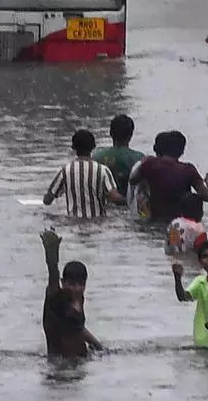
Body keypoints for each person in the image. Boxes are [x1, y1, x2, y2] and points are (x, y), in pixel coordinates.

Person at [40, 229, 102, 358]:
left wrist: (97, 346)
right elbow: (53, 281)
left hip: (79, 365)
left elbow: (78, 329)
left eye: (81, 284)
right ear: (63, 282)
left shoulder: (79, 298)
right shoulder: (57, 300)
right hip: (59, 367)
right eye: (72, 284)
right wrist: (52, 261)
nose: (76, 288)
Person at [129, 130, 208, 224]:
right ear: (182, 151)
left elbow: (133, 180)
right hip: (179, 225)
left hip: (154, 220)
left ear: (157, 149)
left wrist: (142, 164)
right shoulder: (188, 170)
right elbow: (206, 196)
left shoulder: (150, 164)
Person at [43, 128, 125, 218]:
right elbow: (114, 198)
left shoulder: (64, 171)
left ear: (73, 148)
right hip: (98, 222)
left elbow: (47, 200)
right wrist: (132, 200)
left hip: (73, 222)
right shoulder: (102, 170)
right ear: (93, 147)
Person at [92, 114, 144, 197]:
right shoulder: (139, 158)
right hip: (127, 205)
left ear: (110, 133)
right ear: (131, 135)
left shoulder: (96, 156)